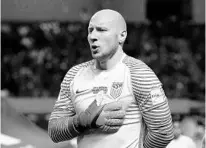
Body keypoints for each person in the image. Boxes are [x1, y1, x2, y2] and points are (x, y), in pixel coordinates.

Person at [48, 9, 174, 148]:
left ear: (122, 36)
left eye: (101, 30)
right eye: (90, 30)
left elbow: (163, 132)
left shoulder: (139, 73)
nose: (93, 36)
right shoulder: (74, 74)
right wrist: (82, 121)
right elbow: (54, 131)